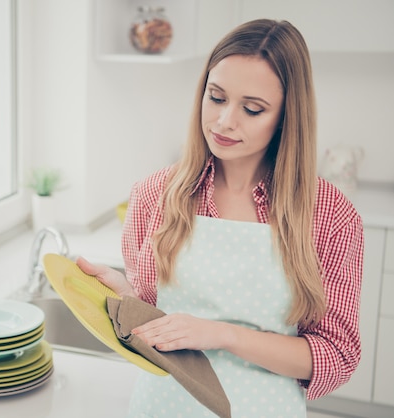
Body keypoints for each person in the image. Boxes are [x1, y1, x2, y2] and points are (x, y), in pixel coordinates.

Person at [77, 18, 363, 418]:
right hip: (162, 407)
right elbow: (158, 322)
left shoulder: (329, 214)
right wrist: (125, 296)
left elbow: (336, 354)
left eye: (252, 108)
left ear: (285, 116)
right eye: (216, 98)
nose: (226, 121)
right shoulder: (155, 194)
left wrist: (223, 334)